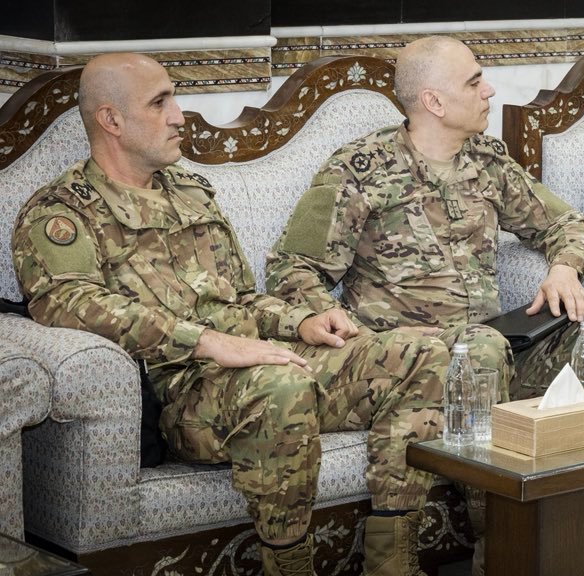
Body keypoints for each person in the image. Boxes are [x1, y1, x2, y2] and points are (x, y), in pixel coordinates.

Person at [10, 53, 450, 576]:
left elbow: (240, 298)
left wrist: (299, 322)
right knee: (280, 384)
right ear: (112, 120)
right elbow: (66, 302)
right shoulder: (62, 211)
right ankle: (290, 567)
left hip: (254, 365)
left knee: (422, 353)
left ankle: (393, 558)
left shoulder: (190, 193)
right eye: (160, 103)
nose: (179, 116)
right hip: (182, 392)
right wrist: (203, 341)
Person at [265, 36, 584, 576]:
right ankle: (498, 549)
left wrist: (564, 268)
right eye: (474, 81)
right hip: (419, 362)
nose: (489, 90)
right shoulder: (359, 169)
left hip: (501, 345)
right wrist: (328, 315)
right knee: (480, 350)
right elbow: (292, 267)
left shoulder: (488, 160)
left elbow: (566, 223)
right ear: (433, 101)